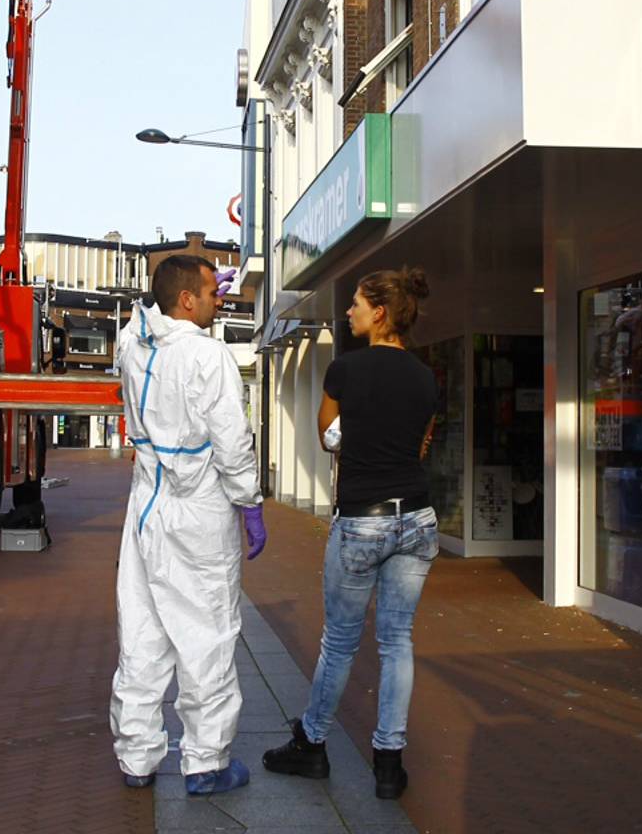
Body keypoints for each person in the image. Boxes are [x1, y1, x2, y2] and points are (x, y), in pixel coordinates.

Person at [263, 266, 437, 800]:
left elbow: (329, 437)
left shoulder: (344, 370)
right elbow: (422, 446)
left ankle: (312, 744)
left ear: (380, 311)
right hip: (419, 520)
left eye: (357, 303)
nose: (348, 311)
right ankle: (389, 763)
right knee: (397, 641)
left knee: (339, 643)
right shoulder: (427, 376)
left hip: (363, 518)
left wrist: (357, 436)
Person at [110, 255, 266, 795]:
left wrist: (177, 291)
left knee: (143, 636)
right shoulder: (209, 356)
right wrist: (249, 502)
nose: (219, 299)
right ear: (186, 301)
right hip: (199, 511)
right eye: (211, 291)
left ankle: (137, 757)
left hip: (146, 508)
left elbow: (137, 323)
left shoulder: (135, 349)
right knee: (207, 636)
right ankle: (206, 763)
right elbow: (231, 440)